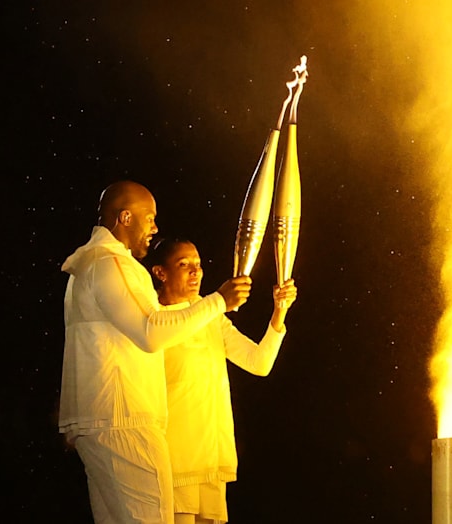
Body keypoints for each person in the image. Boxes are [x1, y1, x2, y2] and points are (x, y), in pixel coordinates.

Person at [59, 180, 252, 524]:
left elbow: (150, 325)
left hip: (100, 421)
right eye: (150, 218)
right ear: (126, 217)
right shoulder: (111, 264)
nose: (155, 228)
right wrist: (219, 301)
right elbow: (150, 332)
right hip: (123, 420)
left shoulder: (89, 266)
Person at [144, 237, 297, 524]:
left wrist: (280, 310)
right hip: (175, 456)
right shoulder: (154, 321)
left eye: (198, 264)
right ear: (160, 273)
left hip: (211, 453)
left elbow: (259, 363)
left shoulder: (212, 316)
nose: (195, 272)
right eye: (183, 264)